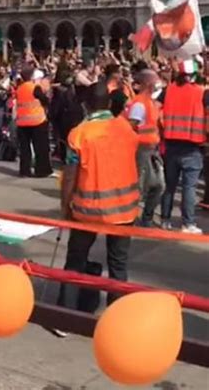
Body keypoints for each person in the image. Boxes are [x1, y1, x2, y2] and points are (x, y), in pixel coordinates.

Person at [58, 82, 140, 310]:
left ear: (85, 105)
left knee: (75, 261)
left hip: (87, 210)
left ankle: (65, 315)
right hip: (124, 209)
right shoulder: (126, 129)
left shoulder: (79, 134)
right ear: (111, 103)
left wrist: (65, 207)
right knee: (118, 265)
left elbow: (70, 176)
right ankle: (116, 315)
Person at [160, 60, 206, 234]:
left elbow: (157, 110)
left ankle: (165, 220)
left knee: (170, 186)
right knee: (189, 187)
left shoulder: (168, 90)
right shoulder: (202, 93)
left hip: (171, 145)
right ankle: (188, 224)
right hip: (192, 146)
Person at [127, 70, 164, 227]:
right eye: (155, 81)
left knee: (159, 186)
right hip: (142, 149)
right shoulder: (140, 104)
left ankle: (146, 217)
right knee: (140, 187)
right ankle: (132, 218)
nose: (158, 84)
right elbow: (131, 126)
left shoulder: (149, 102)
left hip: (152, 149)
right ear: (148, 84)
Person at [15, 63, 52, 178]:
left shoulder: (19, 88)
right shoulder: (34, 87)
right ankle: (42, 170)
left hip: (22, 121)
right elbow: (44, 100)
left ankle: (24, 171)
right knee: (41, 147)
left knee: (25, 149)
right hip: (37, 121)